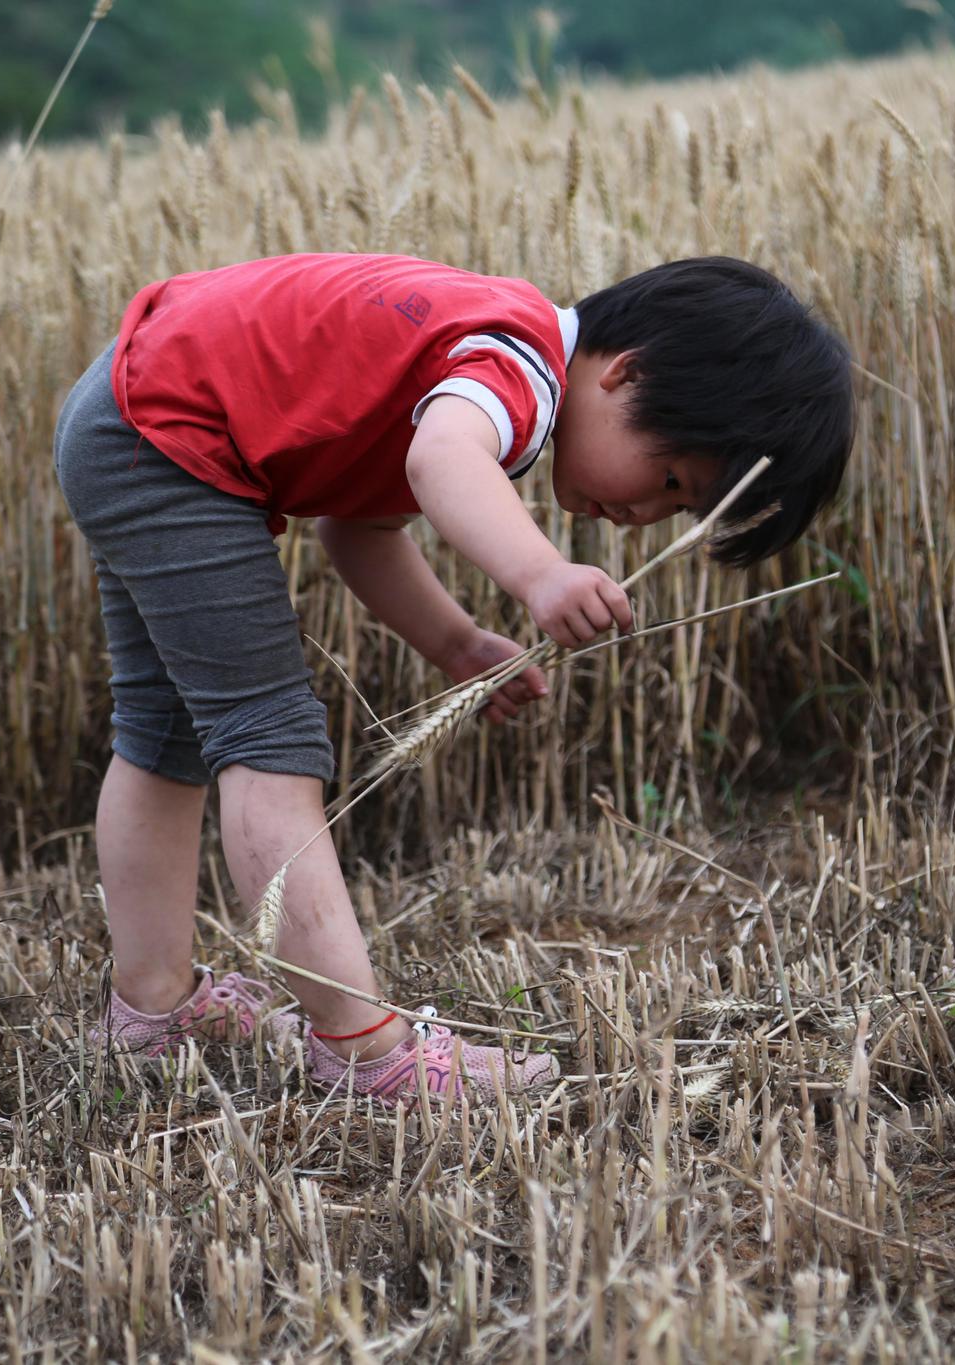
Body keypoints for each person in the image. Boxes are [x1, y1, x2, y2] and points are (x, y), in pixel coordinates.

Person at [53, 252, 852, 1101]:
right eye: (668, 480)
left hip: (128, 415)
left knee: (165, 728)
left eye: (674, 509)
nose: (645, 516)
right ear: (628, 375)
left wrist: (460, 643)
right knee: (267, 736)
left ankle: (151, 1011)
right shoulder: (519, 363)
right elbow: (441, 460)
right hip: (166, 433)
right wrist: (542, 574)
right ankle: (365, 1051)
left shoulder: (481, 351)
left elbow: (356, 530)